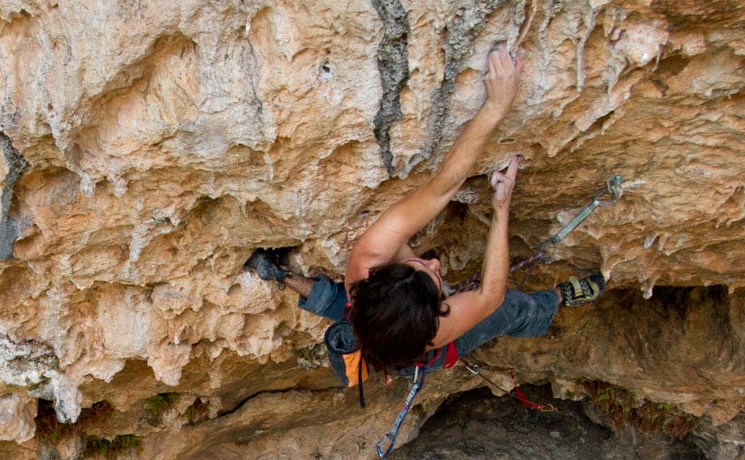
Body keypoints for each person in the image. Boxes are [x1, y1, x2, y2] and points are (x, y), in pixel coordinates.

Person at [247, 44, 607, 376]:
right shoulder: (432, 334)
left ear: (377, 276)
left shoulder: (366, 262)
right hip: (413, 349)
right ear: (436, 313)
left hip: (376, 323)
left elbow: (442, 188)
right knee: (512, 310)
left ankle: (282, 275)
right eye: (437, 281)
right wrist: (501, 211)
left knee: (345, 304)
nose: (435, 263)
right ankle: (558, 299)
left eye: (423, 266)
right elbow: (491, 297)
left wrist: (495, 108)